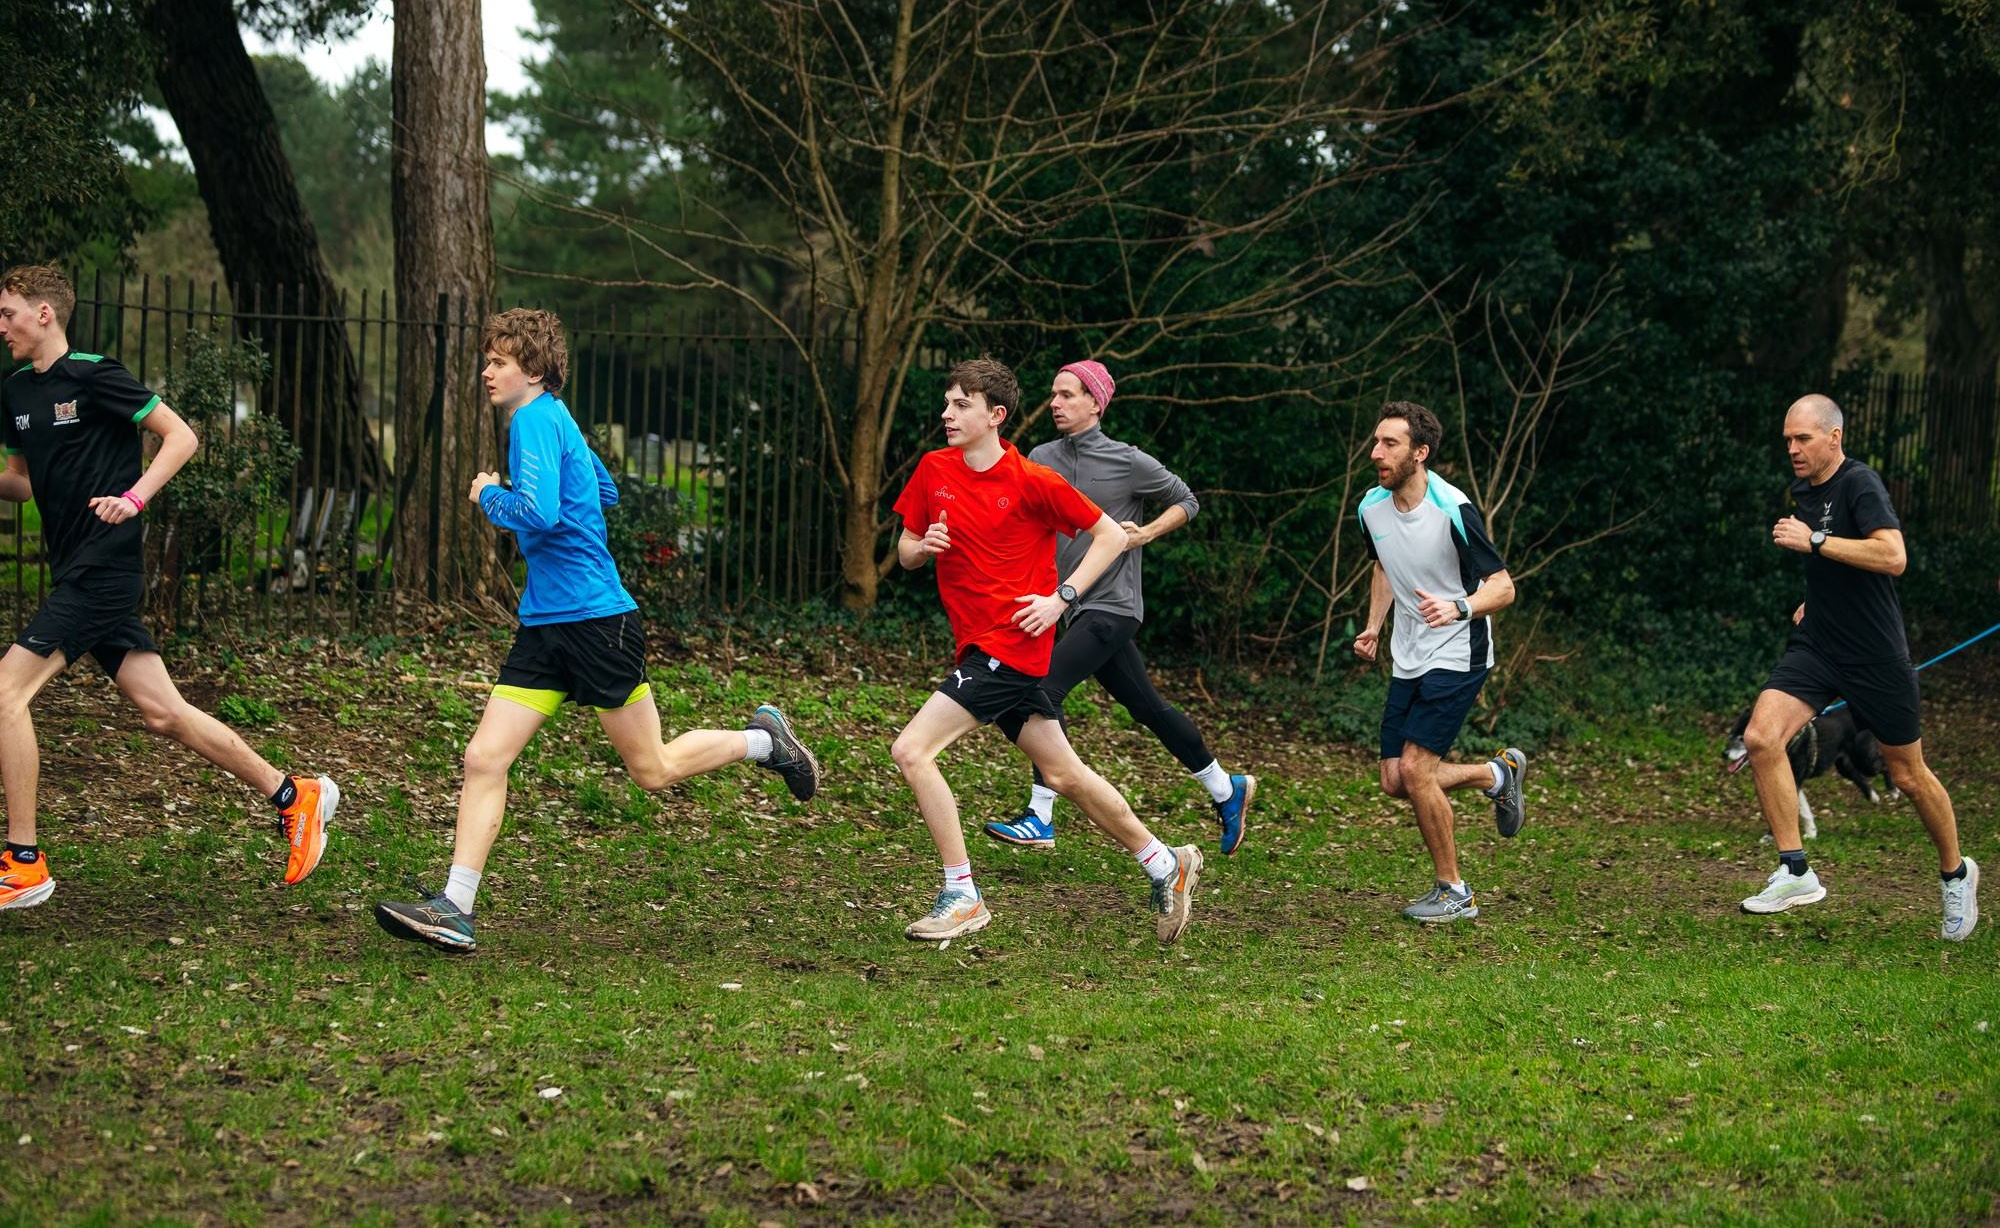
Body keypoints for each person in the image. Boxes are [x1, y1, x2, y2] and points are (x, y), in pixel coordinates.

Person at [373, 308, 821, 953]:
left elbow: (540, 510)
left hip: (595, 623)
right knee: (484, 757)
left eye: (498, 361)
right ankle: (455, 907)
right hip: (544, 628)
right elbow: (604, 491)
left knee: (653, 768)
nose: (486, 371)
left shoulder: (532, 418)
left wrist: (486, 494)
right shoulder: (556, 416)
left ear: (531, 369)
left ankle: (764, 742)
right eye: (488, 360)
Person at [0, 264, 338, 910]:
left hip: (106, 566)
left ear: (45, 313)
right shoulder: (14, 392)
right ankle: (296, 794)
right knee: (164, 712)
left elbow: (182, 436)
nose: (1, 325)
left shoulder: (95, 372)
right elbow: (22, 480)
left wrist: (134, 497)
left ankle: (23, 860)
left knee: (5, 692)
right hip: (73, 565)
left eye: (9, 311)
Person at [890, 356, 1203, 945]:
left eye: (961, 405)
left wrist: (1062, 599)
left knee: (911, 750)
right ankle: (1166, 863)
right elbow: (905, 549)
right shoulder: (934, 470)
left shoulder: (1032, 480)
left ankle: (962, 894)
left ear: (995, 415)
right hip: (976, 647)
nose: (947, 414)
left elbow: (1110, 535)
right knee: (1063, 773)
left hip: (1009, 647)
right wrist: (922, 545)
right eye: (948, 402)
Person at [983, 360, 1255, 854]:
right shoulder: (1039, 456)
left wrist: (1146, 533)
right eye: (1053, 394)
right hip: (1067, 606)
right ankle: (1225, 787)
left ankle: (1039, 815)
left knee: (1042, 687)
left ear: (1095, 402)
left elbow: (1186, 499)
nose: (1056, 404)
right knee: (1148, 707)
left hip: (1113, 605)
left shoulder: (1127, 461)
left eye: (1067, 395)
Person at [1737, 394, 1978, 940]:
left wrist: (1815, 541)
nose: (1793, 449)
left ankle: (1957, 874)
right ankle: (1796, 871)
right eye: (1788, 441)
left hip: (1875, 657)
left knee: (1906, 775)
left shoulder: (1860, 483)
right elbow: (1832, 568)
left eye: (1802, 439)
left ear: (1834, 438)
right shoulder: (1804, 490)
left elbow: (1892, 556)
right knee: (1760, 737)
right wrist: (1816, 598)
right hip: (1819, 646)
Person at [1353, 401, 1525, 923]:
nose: (1376, 453)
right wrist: (1375, 626)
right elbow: (1384, 565)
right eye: (1376, 441)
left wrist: (1458, 607)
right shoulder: (1370, 508)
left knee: (1416, 770)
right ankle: (1495, 775)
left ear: (1420, 453)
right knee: (1392, 779)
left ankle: (1455, 891)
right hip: (1408, 651)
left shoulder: (1453, 509)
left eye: (1390, 444)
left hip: (1459, 650)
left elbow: (1504, 587)